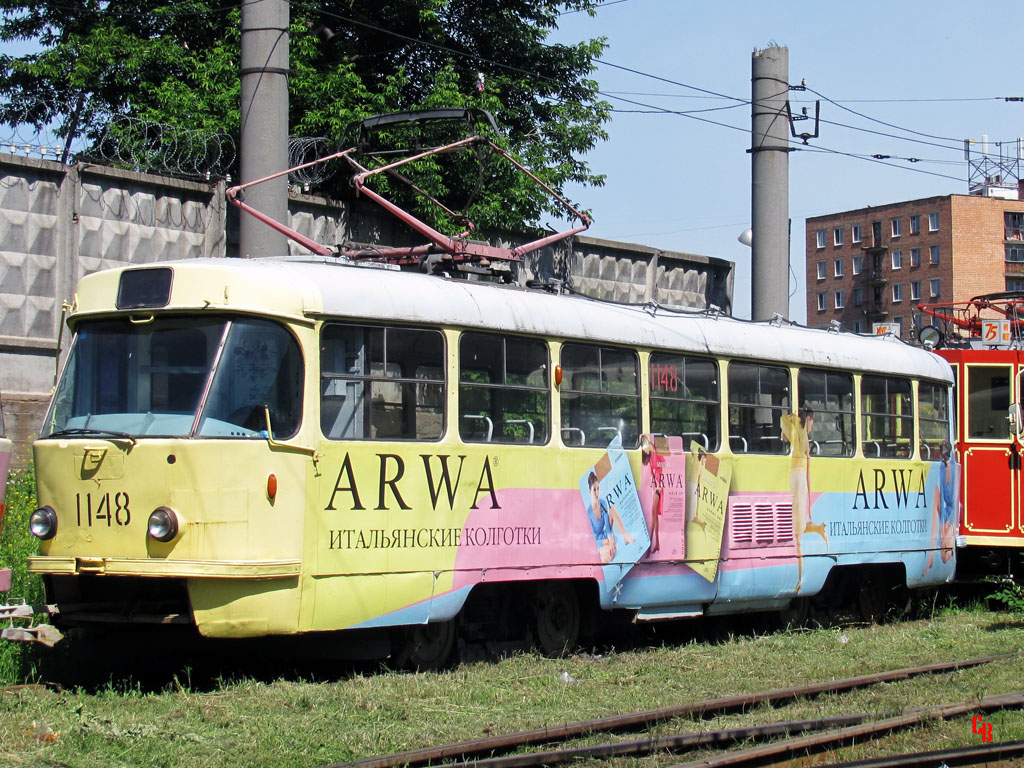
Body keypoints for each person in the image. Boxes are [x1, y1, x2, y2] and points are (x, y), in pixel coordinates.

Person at [781, 406, 828, 591]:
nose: (811, 426)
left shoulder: (797, 436)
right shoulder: (801, 438)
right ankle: (818, 528)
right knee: (797, 532)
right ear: (807, 420)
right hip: (797, 482)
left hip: (795, 482)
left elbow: (783, 431)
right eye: (810, 422)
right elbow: (807, 473)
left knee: (797, 535)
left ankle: (800, 580)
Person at [586, 470, 635, 563]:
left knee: (612, 509)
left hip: (606, 535)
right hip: (599, 542)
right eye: (594, 490)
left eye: (598, 489)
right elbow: (592, 538)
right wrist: (604, 542)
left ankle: (626, 536)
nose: (597, 493)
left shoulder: (603, 502)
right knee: (604, 559)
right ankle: (609, 550)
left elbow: (607, 527)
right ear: (589, 491)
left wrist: (611, 540)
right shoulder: (589, 513)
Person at [925, 441, 957, 573]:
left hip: (946, 501)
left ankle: (946, 459)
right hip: (950, 502)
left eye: (944, 550)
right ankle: (947, 459)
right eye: (948, 550)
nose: (945, 546)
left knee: (945, 488)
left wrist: (931, 555)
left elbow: (936, 495)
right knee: (949, 490)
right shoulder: (949, 531)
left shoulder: (941, 529)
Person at [640, 434, 665, 553]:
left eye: (644, 448)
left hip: (659, 486)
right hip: (655, 486)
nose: (644, 451)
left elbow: (664, 466)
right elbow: (651, 472)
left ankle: (650, 543)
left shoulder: (657, 451)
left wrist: (660, 485)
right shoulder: (650, 455)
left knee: (653, 512)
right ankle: (657, 543)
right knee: (654, 515)